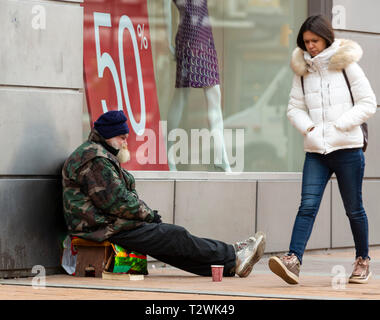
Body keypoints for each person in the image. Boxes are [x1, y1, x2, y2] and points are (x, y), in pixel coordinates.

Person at [62, 110, 266, 277]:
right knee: (173, 235)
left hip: (109, 224)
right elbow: (118, 201)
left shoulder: (100, 155)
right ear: (108, 135)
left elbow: (118, 199)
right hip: (100, 227)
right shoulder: (95, 159)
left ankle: (230, 264)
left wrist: (147, 216)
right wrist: (148, 215)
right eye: (122, 138)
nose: (125, 143)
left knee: (170, 241)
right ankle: (233, 253)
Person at [268, 15, 377, 285]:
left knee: (354, 209)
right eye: (306, 42)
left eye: (314, 40)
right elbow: (294, 108)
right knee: (307, 206)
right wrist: (311, 130)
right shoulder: (302, 70)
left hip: (347, 149)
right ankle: (293, 260)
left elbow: (368, 102)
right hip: (316, 151)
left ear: (325, 38)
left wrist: (339, 125)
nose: (311, 46)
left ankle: (363, 260)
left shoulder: (345, 64)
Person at [164, 0, 231, 172]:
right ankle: (221, 158)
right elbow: (166, 12)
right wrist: (168, 43)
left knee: (184, 95)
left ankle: (220, 158)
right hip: (194, 37)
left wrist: (170, 43)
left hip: (201, 36)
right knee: (191, 96)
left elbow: (167, 12)